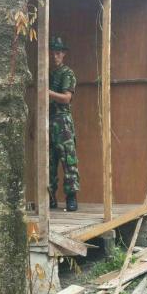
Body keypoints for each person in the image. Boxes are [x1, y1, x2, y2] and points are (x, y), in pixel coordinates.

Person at [48, 36, 80, 212]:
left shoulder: (67, 73)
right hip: (47, 120)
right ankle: (50, 197)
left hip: (62, 121)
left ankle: (71, 197)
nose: (55, 56)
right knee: (49, 162)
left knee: (68, 159)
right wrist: (32, 124)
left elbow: (67, 98)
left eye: (58, 53)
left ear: (64, 54)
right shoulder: (47, 74)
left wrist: (47, 92)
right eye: (52, 53)